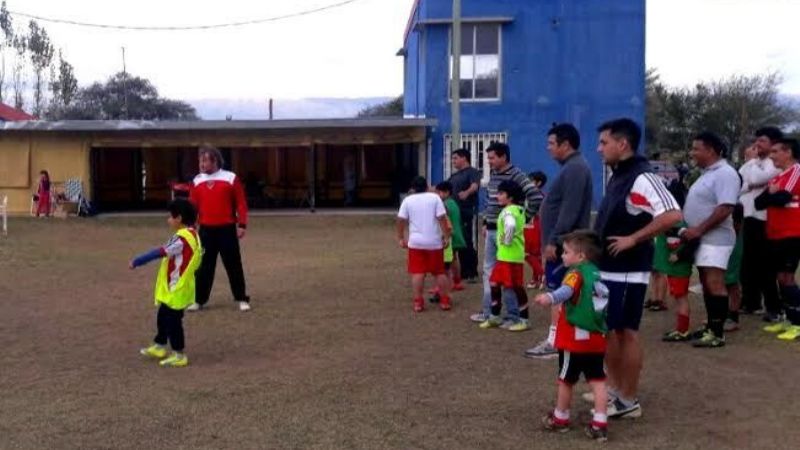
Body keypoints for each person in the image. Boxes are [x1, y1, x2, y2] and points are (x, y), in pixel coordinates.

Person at [593, 118, 681, 418]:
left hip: (629, 271)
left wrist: (634, 238)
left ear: (623, 144)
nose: (599, 148)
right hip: (608, 268)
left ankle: (629, 401)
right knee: (611, 331)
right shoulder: (619, 175)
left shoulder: (643, 175)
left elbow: (671, 214)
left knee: (626, 333)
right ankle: (615, 391)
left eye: (604, 143)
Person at [526, 123, 593, 359]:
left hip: (565, 246)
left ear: (566, 144)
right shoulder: (571, 168)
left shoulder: (575, 169)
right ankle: (560, 338)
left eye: (551, 144)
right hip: (563, 243)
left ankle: (555, 342)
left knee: (559, 293)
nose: (548, 148)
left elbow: (570, 209)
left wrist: (554, 241)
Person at [535, 230, 609, 442]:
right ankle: (600, 422)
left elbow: (566, 291)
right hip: (595, 337)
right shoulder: (597, 273)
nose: (562, 256)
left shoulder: (575, 274)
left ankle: (561, 417)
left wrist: (549, 297)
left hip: (574, 339)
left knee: (566, 380)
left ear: (581, 256)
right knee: (598, 380)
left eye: (566, 252)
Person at [469, 142, 542, 329]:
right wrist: (485, 222)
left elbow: (535, 196)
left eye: (492, 157)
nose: (489, 161)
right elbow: (489, 201)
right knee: (490, 273)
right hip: (492, 229)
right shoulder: (494, 174)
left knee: (509, 277)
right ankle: (490, 312)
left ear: (503, 157)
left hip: (505, 235)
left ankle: (513, 315)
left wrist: (524, 216)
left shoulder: (517, 175)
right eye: (488, 158)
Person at [681, 132, 741, 348]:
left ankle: (717, 333)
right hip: (705, 238)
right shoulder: (708, 173)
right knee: (707, 283)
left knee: (715, 283)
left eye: (697, 148)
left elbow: (725, 207)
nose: (692, 153)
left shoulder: (725, 173)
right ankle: (710, 328)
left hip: (716, 239)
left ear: (712, 150)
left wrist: (699, 229)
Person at [130, 200, 202, 368]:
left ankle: (179, 354)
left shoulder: (181, 239)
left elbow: (160, 252)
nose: (168, 220)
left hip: (177, 286)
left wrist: (137, 261)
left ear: (179, 218)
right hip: (177, 286)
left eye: (171, 217)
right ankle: (160, 344)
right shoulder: (192, 234)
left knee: (173, 320)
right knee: (163, 315)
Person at [188, 145, 251, 312]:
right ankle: (199, 300)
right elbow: (192, 207)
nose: (201, 164)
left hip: (227, 229)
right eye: (200, 160)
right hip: (206, 231)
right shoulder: (197, 180)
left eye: (204, 160)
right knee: (203, 267)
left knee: (233, 265)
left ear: (214, 160)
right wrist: (191, 225)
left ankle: (241, 298)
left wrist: (242, 224)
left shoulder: (230, 178)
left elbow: (241, 203)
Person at [755, 138, 800, 340]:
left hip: (792, 234)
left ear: (788, 152)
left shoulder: (796, 171)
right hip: (774, 233)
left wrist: (772, 196)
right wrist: (772, 195)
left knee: (787, 278)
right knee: (779, 277)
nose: (771, 156)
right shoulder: (777, 178)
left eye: (775, 152)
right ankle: (787, 318)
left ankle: (798, 323)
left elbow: (783, 199)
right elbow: (758, 203)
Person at [739, 127, 782, 320]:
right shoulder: (756, 162)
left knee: (766, 265)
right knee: (748, 263)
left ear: (774, 144)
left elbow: (757, 177)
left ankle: (773, 306)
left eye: (762, 141)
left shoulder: (775, 164)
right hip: (749, 215)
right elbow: (740, 181)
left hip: (764, 219)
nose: (757, 144)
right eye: (757, 140)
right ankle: (751, 302)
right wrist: (751, 182)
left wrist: (750, 164)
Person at [478, 180, 531, 332]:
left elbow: (511, 225)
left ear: (511, 197)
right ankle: (495, 316)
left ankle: (523, 320)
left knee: (516, 287)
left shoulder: (509, 212)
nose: (497, 196)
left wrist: (506, 240)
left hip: (510, 257)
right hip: (505, 257)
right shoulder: (519, 210)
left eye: (501, 194)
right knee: (494, 283)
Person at [397, 176, 452, 312]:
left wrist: (400, 237)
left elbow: (401, 220)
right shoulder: (435, 198)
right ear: (427, 186)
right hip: (433, 241)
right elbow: (441, 218)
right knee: (439, 272)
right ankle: (445, 300)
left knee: (417, 273)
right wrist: (446, 236)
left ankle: (418, 302)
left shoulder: (408, 200)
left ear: (413, 188)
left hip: (416, 242)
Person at [447, 149, 482, 282]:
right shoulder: (454, 176)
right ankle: (464, 272)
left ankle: (472, 272)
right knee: (460, 242)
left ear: (464, 158)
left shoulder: (472, 172)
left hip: (468, 213)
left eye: (455, 158)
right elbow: (443, 188)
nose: (453, 161)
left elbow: (475, 185)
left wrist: (467, 192)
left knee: (469, 241)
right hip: (456, 215)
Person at [658, 221, 696, 341]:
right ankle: (681, 328)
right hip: (675, 269)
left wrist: (679, 255)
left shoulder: (681, 227)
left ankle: (683, 330)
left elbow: (693, 241)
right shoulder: (675, 226)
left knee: (681, 299)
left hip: (679, 269)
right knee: (679, 298)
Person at [429, 182, 466, 303]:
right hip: (455, 235)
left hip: (450, 236)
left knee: (446, 265)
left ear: (447, 192)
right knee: (453, 259)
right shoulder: (453, 203)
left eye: (440, 192)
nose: (438, 195)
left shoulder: (445, 205)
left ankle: (444, 286)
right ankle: (457, 281)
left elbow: (443, 218)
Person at [723, 204, 745, 332]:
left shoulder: (735, 206)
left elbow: (736, 226)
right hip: (724, 246)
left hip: (732, 247)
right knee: (723, 283)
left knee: (731, 283)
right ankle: (723, 314)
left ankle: (733, 317)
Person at [524, 171, 547, 289]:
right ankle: (535, 279)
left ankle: (542, 274)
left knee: (527, 253)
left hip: (532, 226)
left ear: (538, 183)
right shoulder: (540, 195)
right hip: (534, 226)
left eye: (531, 180)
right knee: (535, 255)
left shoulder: (534, 196)